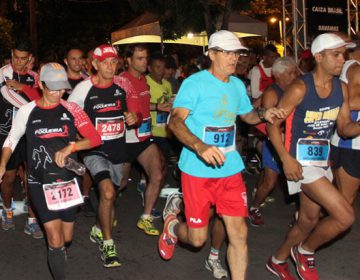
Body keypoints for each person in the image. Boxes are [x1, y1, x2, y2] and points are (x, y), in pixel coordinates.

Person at [158, 30, 285, 280]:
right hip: (196, 171)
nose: (234, 58)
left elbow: (246, 115)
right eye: (227, 52)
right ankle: (173, 225)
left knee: (238, 233)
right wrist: (200, 146)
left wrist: (263, 114)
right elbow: (175, 122)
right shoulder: (194, 84)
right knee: (197, 239)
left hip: (230, 170)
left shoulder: (237, 85)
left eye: (236, 53)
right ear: (212, 55)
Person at [266, 33, 357, 280]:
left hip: (320, 160)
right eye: (336, 54)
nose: (342, 60)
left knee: (307, 220)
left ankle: (277, 261)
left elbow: (345, 128)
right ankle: (305, 251)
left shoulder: (342, 88)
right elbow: (273, 124)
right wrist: (285, 159)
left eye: (344, 54)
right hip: (300, 162)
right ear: (319, 57)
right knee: (345, 215)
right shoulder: (299, 88)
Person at [0, 62, 101, 279]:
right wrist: (2, 163)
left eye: (61, 88)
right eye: (52, 88)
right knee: (54, 240)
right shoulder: (27, 111)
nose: (58, 93)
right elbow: (11, 139)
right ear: (41, 85)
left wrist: (71, 146)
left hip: (67, 182)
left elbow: (95, 138)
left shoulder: (72, 109)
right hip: (39, 181)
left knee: (66, 238)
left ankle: (58, 256)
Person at [69, 44, 138, 267]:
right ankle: (108, 246)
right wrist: (81, 134)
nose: (110, 66)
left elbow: (135, 110)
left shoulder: (122, 86)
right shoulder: (83, 89)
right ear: (95, 64)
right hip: (94, 150)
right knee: (107, 192)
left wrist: (133, 117)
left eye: (113, 62)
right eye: (105, 62)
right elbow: (69, 114)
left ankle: (99, 228)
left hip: (118, 148)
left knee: (114, 192)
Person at [116, 44, 166, 235]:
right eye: (140, 58)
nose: (145, 62)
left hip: (144, 136)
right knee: (119, 183)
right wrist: (125, 116)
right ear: (128, 60)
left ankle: (145, 218)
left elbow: (143, 107)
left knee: (158, 174)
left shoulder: (143, 79)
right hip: (127, 139)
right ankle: (105, 215)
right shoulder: (121, 81)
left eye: (146, 58)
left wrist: (158, 107)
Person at [249, 57, 299, 226]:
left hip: (293, 141)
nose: (296, 75)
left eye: (296, 71)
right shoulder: (272, 93)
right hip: (274, 142)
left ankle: (302, 216)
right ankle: (254, 207)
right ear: (279, 75)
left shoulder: (297, 89)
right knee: (270, 181)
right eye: (291, 73)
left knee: (303, 179)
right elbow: (269, 123)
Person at [0, 39, 42, 236]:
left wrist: (23, 87)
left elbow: (43, 102)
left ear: (30, 58)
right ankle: (7, 210)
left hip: (31, 135)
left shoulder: (35, 78)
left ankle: (32, 220)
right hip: (6, 134)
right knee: (8, 177)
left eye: (23, 58)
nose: (18, 62)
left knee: (33, 177)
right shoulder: (2, 73)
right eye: (15, 57)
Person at [63, 47, 95, 217]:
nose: (77, 62)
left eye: (79, 59)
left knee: (88, 165)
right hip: (64, 131)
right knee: (67, 164)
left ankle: (85, 195)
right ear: (66, 61)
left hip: (84, 130)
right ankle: (68, 198)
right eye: (72, 59)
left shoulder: (88, 81)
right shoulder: (59, 82)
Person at [331, 42, 360, 206]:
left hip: (349, 143)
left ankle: (306, 217)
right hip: (351, 144)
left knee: (341, 202)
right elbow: (351, 102)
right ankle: (306, 220)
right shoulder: (356, 69)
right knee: (343, 206)